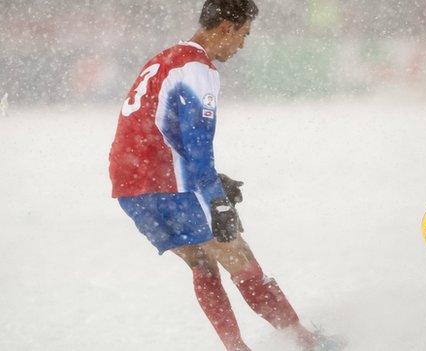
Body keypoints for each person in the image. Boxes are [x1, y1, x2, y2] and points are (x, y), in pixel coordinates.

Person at [108, 1, 343, 350]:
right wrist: (215, 198)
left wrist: (211, 178)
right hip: (169, 183)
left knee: (202, 262)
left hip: (129, 186)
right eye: (244, 34)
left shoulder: (163, 59)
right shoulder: (199, 69)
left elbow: (156, 128)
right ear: (226, 28)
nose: (243, 44)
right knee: (240, 258)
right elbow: (197, 143)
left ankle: (236, 348)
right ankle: (308, 344)